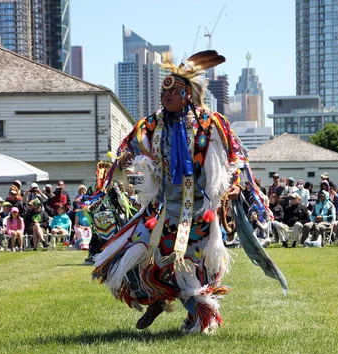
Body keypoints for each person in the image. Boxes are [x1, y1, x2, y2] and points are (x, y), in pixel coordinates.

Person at [92, 51, 285, 334]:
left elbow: (237, 158)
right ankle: (155, 298)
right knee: (123, 259)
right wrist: (123, 160)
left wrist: (236, 185)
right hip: (161, 210)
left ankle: (197, 316)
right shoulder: (152, 123)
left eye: (173, 91)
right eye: (163, 91)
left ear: (186, 94)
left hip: (198, 211)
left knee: (189, 269)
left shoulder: (209, 123)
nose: (165, 96)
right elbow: (128, 146)